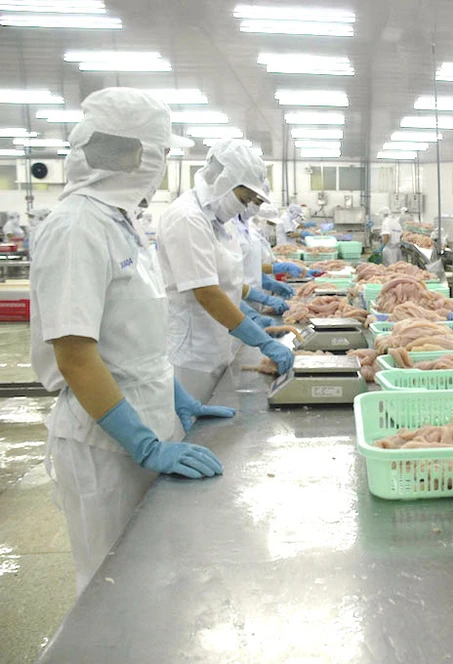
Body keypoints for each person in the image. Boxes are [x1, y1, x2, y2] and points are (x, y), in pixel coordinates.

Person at [29, 88, 229, 594]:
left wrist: (174, 396)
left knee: (158, 578)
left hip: (148, 422)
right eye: (162, 152)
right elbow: (74, 355)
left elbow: (135, 337)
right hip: (106, 445)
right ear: (134, 153)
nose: (163, 165)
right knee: (112, 588)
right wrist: (143, 443)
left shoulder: (121, 221)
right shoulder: (75, 227)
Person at [157, 138, 293, 405]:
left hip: (219, 343)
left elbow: (226, 284)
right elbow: (206, 293)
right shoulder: (187, 217)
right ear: (223, 182)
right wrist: (261, 341)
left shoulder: (221, 221)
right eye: (243, 199)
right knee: (194, 423)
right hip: (192, 355)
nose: (244, 207)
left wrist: (250, 315)